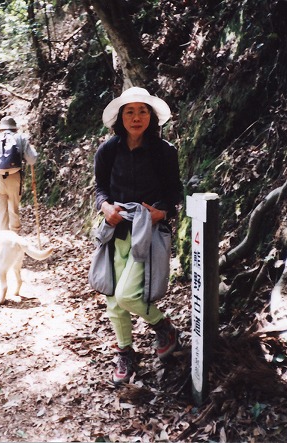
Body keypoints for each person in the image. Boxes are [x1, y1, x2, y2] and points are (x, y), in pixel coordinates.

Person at [93, 87, 183, 385]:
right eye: (129, 111)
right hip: (117, 231)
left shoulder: (165, 151)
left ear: (151, 116)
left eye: (142, 111)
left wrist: (163, 212)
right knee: (113, 300)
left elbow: (174, 193)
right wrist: (105, 207)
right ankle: (126, 352)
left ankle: (164, 326)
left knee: (127, 295)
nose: (136, 117)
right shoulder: (107, 150)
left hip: (149, 233)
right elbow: (100, 190)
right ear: (120, 117)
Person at [0, 116, 38, 233]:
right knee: (14, 210)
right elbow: (32, 159)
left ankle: (3, 242)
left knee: (0, 212)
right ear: (14, 128)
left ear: (1, 129)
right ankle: (15, 238)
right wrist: (31, 148)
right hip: (15, 177)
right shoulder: (21, 138)